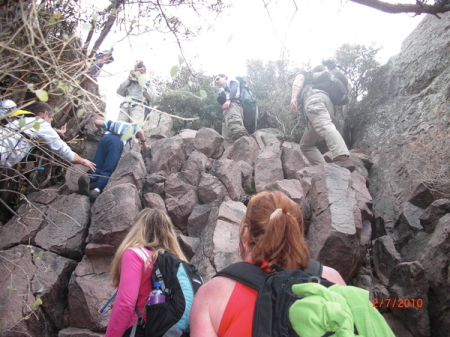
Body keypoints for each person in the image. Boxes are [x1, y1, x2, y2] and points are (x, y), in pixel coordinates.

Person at [190, 190, 346, 336]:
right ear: (296, 232)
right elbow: (367, 314)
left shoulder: (211, 294)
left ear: (246, 234)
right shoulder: (332, 279)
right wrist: (372, 300)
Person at [105, 208, 188, 337]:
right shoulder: (178, 261)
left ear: (138, 228)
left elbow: (126, 303)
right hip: (169, 331)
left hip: (139, 328)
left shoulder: (135, 254)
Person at [290, 68, 355, 172]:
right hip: (327, 104)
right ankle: (324, 170)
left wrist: (293, 98)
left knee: (325, 126)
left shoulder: (304, 73)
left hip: (313, 99)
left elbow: (299, 79)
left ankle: (341, 156)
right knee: (306, 145)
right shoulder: (316, 80)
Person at [0, 102, 95, 171]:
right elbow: (66, 153)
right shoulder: (42, 125)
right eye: (50, 117)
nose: (51, 119)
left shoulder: (20, 118)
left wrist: (56, 131)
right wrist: (83, 161)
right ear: (45, 114)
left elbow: (33, 129)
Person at [77, 119, 147, 202]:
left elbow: (96, 122)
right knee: (109, 167)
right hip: (117, 142)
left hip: (104, 139)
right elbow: (140, 132)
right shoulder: (132, 127)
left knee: (98, 163)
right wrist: (144, 145)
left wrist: (100, 131)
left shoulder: (114, 122)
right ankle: (96, 190)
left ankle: (88, 178)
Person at [214, 74, 249, 148]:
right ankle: (229, 156)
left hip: (233, 105)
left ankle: (246, 148)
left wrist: (228, 100)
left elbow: (234, 88)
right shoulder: (224, 89)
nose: (217, 82)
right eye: (215, 82)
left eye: (218, 79)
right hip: (228, 110)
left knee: (235, 126)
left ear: (224, 77)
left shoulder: (231, 80)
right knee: (227, 137)